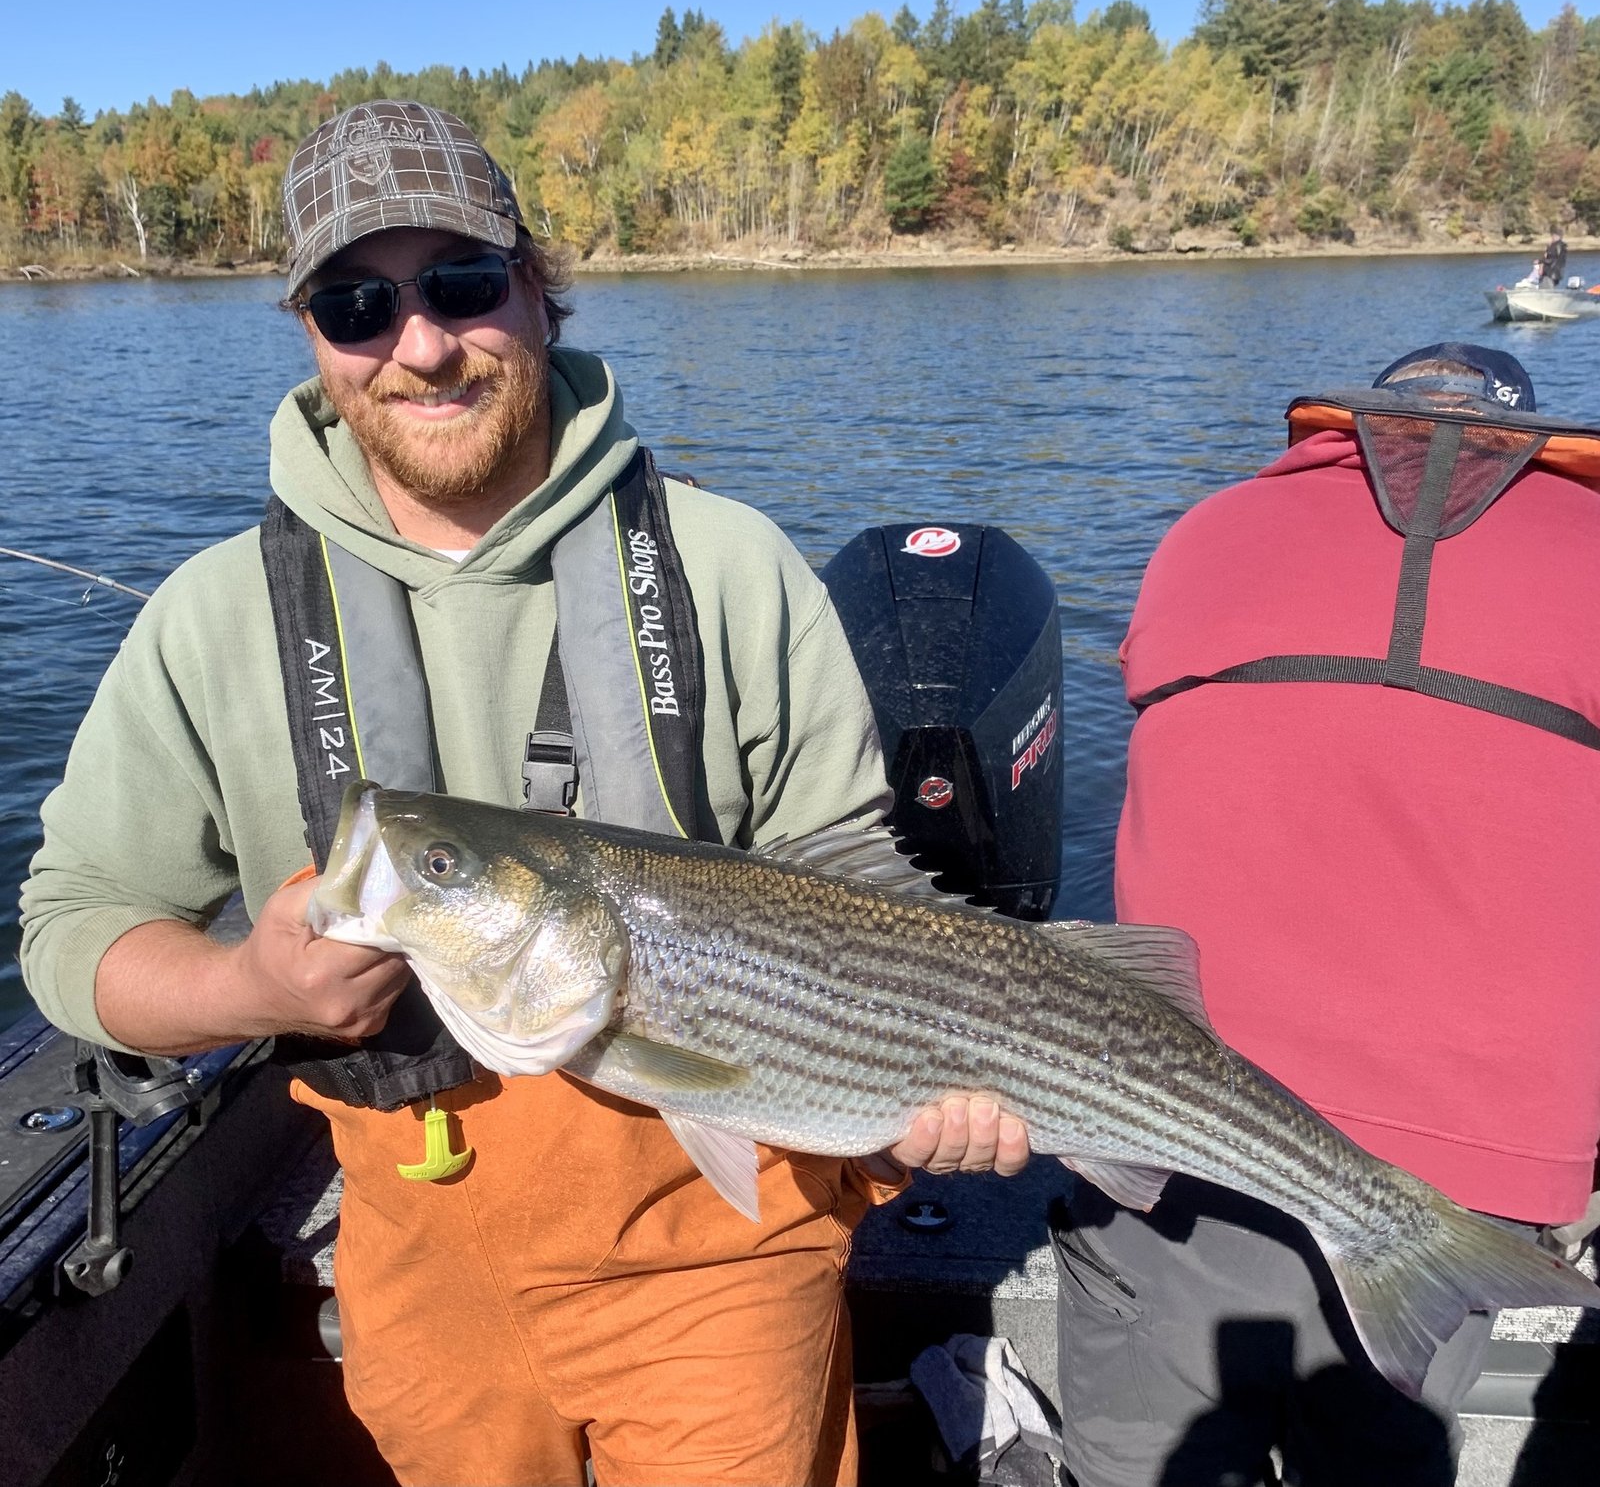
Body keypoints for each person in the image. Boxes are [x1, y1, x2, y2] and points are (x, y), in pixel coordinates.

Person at [19, 100, 1028, 1487]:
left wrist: (930, 1074)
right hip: (424, 1256)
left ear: (540, 287)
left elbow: (850, 888)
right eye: (358, 301)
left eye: (463, 283)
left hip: (722, 1250)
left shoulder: (731, 568)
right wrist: (248, 992)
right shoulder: (209, 618)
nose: (421, 343)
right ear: (311, 331)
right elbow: (78, 930)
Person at [1055, 342, 1600, 1486]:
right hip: (1477, 1159)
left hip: (1177, 1109)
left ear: (1352, 429)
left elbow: (1154, 694)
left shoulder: (1208, 531)